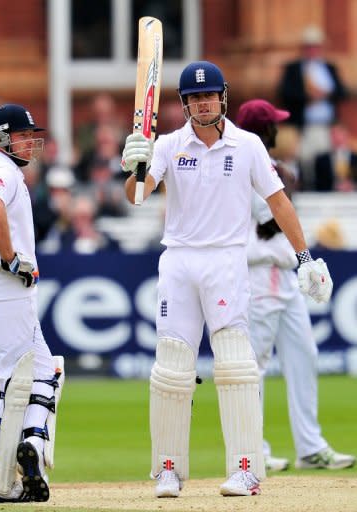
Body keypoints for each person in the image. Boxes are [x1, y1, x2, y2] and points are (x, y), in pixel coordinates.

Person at [121, 61, 333, 498]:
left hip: (227, 261)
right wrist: (136, 166)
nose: (202, 103)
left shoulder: (249, 145)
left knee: (236, 365)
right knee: (171, 368)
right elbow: (138, 196)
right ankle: (168, 469)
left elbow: (278, 202)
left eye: (209, 95)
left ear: (223, 97)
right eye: (194, 98)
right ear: (184, 104)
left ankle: (245, 468)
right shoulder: (167, 145)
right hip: (179, 261)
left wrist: (305, 257)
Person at [236, 98, 355, 472]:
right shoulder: (245, 164)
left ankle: (310, 446)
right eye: (274, 125)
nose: (280, 131)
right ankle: (253, 446)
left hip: (283, 273)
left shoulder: (269, 167)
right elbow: (268, 216)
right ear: (263, 130)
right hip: (258, 271)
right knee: (253, 365)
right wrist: (283, 185)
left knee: (305, 354)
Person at [0, 104, 60, 503]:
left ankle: (32, 446)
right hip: (4, 287)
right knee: (4, 379)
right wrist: (11, 258)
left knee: (46, 370)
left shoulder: (0, 172)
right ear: (0, 138)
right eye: (22, 135)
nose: (29, 141)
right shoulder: (2, 172)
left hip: (2, 291)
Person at [277, 25, 349, 188]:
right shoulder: (293, 69)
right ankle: (305, 188)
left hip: (326, 126)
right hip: (303, 127)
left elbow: (342, 92)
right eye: (309, 47)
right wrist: (308, 96)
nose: (312, 50)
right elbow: (285, 93)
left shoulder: (329, 67)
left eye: (315, 46)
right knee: (304, 160)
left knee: (326, 161)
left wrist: (325, 94)